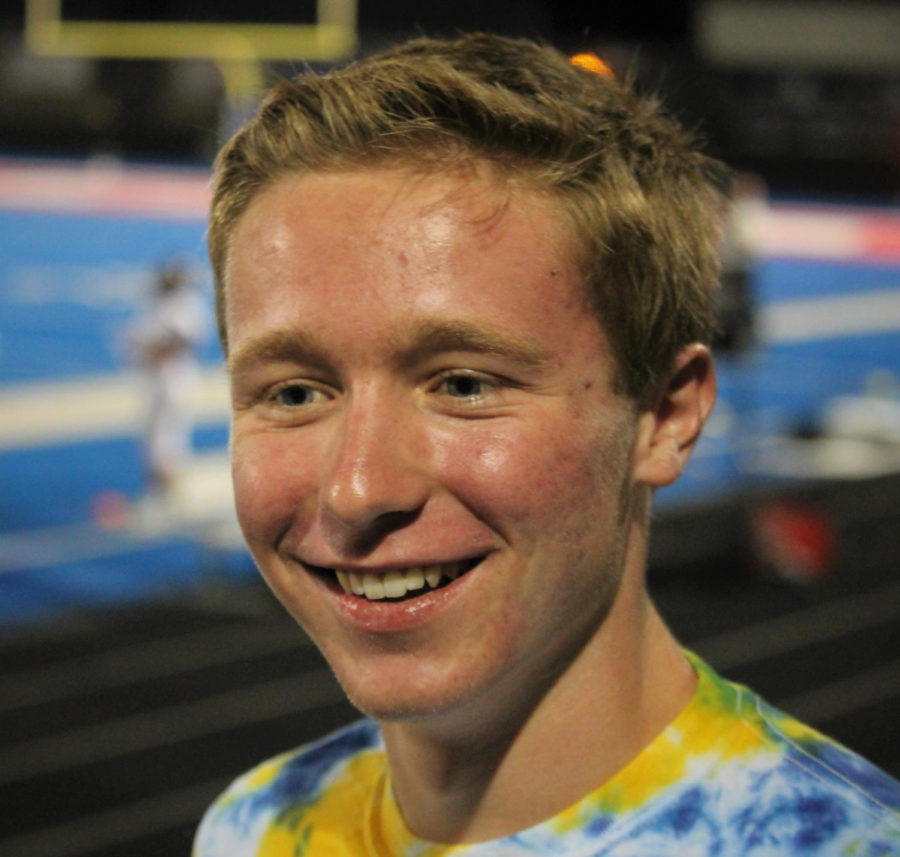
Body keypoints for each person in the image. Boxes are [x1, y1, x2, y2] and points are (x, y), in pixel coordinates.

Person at [194, 33, 900, 856]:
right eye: (295, 392)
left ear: (664, 416)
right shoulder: (250, 826)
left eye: (463, 384)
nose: (356, 487)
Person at [126, 260, 208, 505]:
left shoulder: (186, 306)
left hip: (171, 379)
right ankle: (157, 492)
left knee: (167, 439)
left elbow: (183, 338)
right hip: (157, 378)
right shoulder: (163, 304)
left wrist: (155, 349)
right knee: (152, 437)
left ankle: (169, 495)